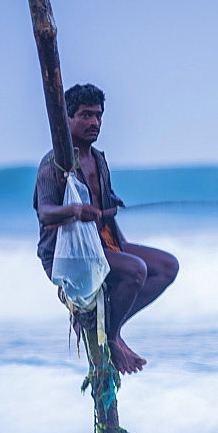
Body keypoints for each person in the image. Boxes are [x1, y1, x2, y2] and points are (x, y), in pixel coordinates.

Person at [34, 83, 178, 374]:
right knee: (136, 269)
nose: (94, 123)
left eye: (98, 116)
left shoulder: (98, 159)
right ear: (67, 118)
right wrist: (76, 210)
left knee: (166, 267)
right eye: (86, 115)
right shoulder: (54, 165)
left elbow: (107, 209)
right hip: (67, 257)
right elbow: (46, 214)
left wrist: (121, 248)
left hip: (99, 247)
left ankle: (114, 326)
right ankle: (111, 339)